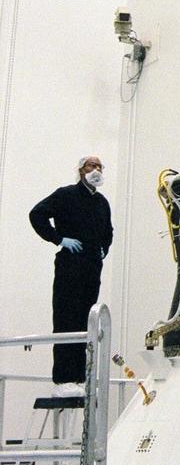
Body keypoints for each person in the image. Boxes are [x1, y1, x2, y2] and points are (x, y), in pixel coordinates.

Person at [29, 155, 113, 385]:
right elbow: (36, 215)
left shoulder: (102, 202)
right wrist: (58, 239)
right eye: (91, 165)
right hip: (70, 266)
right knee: (67, 320)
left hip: (92, 270)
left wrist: (104, 248)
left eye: (99, 166)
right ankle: (63, 380)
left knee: (86, 323)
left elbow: (108, 231)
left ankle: (79, 379)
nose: (96, 169)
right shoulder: (65, 194)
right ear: (81, 169)